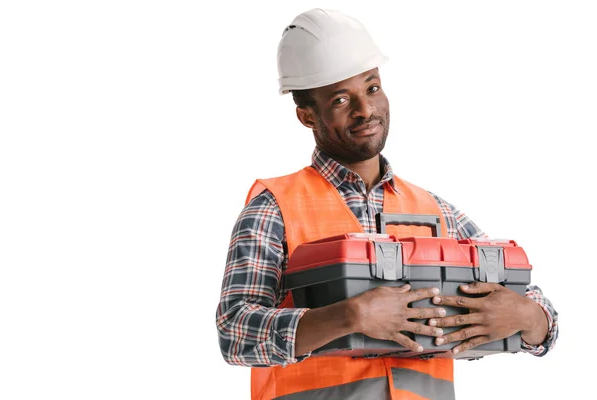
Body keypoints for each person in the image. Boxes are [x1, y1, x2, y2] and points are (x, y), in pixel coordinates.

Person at [215, 8, 558, 400]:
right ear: (307, 116)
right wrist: (350, 316)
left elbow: (534, 307)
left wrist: (528, 318)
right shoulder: (274, 208)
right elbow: (235, 333)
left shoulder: (437, 212)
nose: (365, 110)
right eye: (342, 99)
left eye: (372, 88)